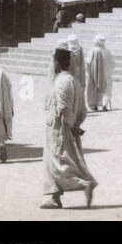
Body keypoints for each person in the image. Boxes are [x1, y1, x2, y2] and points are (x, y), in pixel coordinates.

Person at [41, 47, 97, 210]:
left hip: (59, 129)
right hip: (65, 127)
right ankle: (55, 197)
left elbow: (64, 108)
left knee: (58, 163)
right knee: (61, 162)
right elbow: (82, 108)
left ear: (57, 63)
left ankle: (84, 183)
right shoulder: (74, 81)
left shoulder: (62, 82)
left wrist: (69, 127)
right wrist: (76, 125)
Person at [86, 35, 114, 112]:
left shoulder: (92, 51)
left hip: (94, 74)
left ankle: (94, 105)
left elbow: (88, 62)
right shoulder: (107, 52)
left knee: (93, 89)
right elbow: (112, 63)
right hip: (105, 74)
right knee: (106, 89)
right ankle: (105, 105)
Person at [66, 34, 87, 104]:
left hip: (69, 70)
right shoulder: (80, 48)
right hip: (78, 70)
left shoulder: (67, 48)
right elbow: (82, 62)